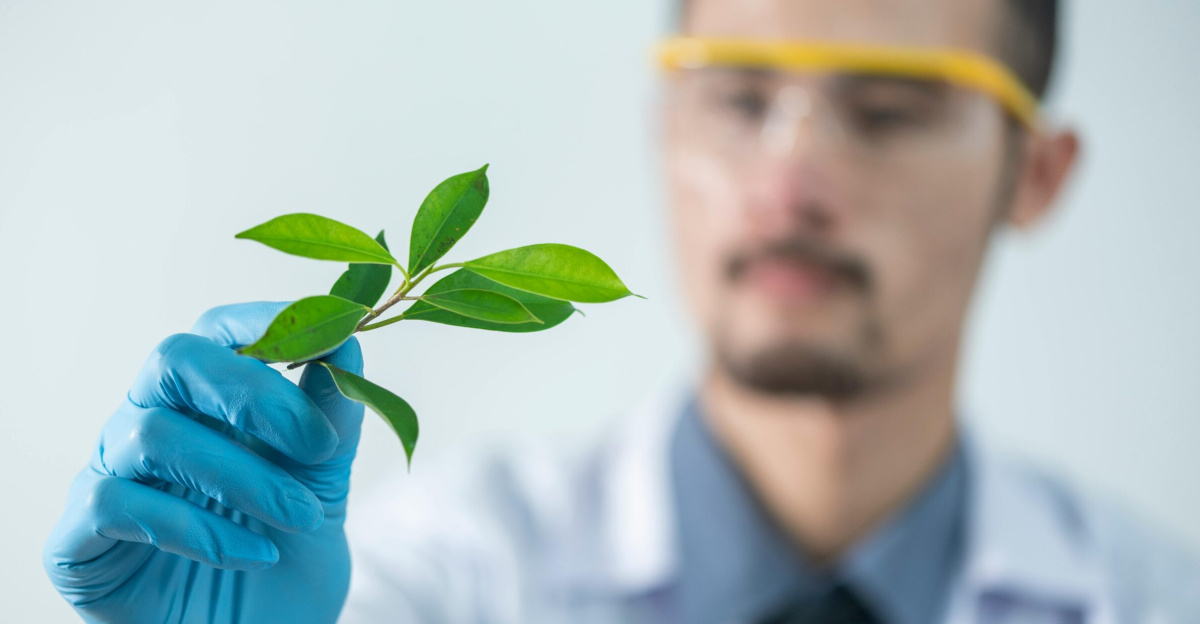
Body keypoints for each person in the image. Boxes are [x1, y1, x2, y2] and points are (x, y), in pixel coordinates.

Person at [43, 0, 1200, 622]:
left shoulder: (1153, 602)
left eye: (889, 112)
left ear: (1035, 175)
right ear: (666, 127)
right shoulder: (455, 577)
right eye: (740, 100)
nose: (788, 184)